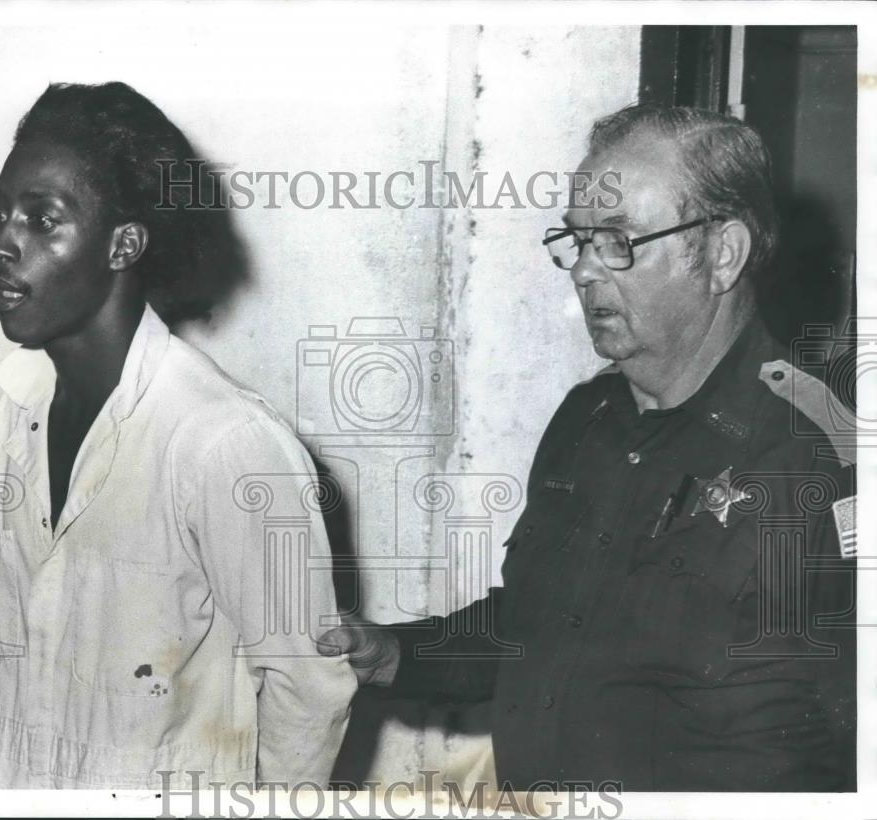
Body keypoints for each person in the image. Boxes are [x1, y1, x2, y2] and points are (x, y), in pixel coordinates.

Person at [319, 104, 856, 792]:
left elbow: (833, 748)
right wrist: (397, 654)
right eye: (578, 241)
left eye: (619, 240)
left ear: (723, 254)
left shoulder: (815, 454)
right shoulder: (589, 418)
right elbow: (535, 626)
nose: (583, 270)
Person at [0, 82, 356, 789]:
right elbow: (21, 674)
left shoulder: (225, 444)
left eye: (41, 219)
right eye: (1, 215)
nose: (3, 243)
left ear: (124, 243)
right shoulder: (18, 407)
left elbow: (310, 692)